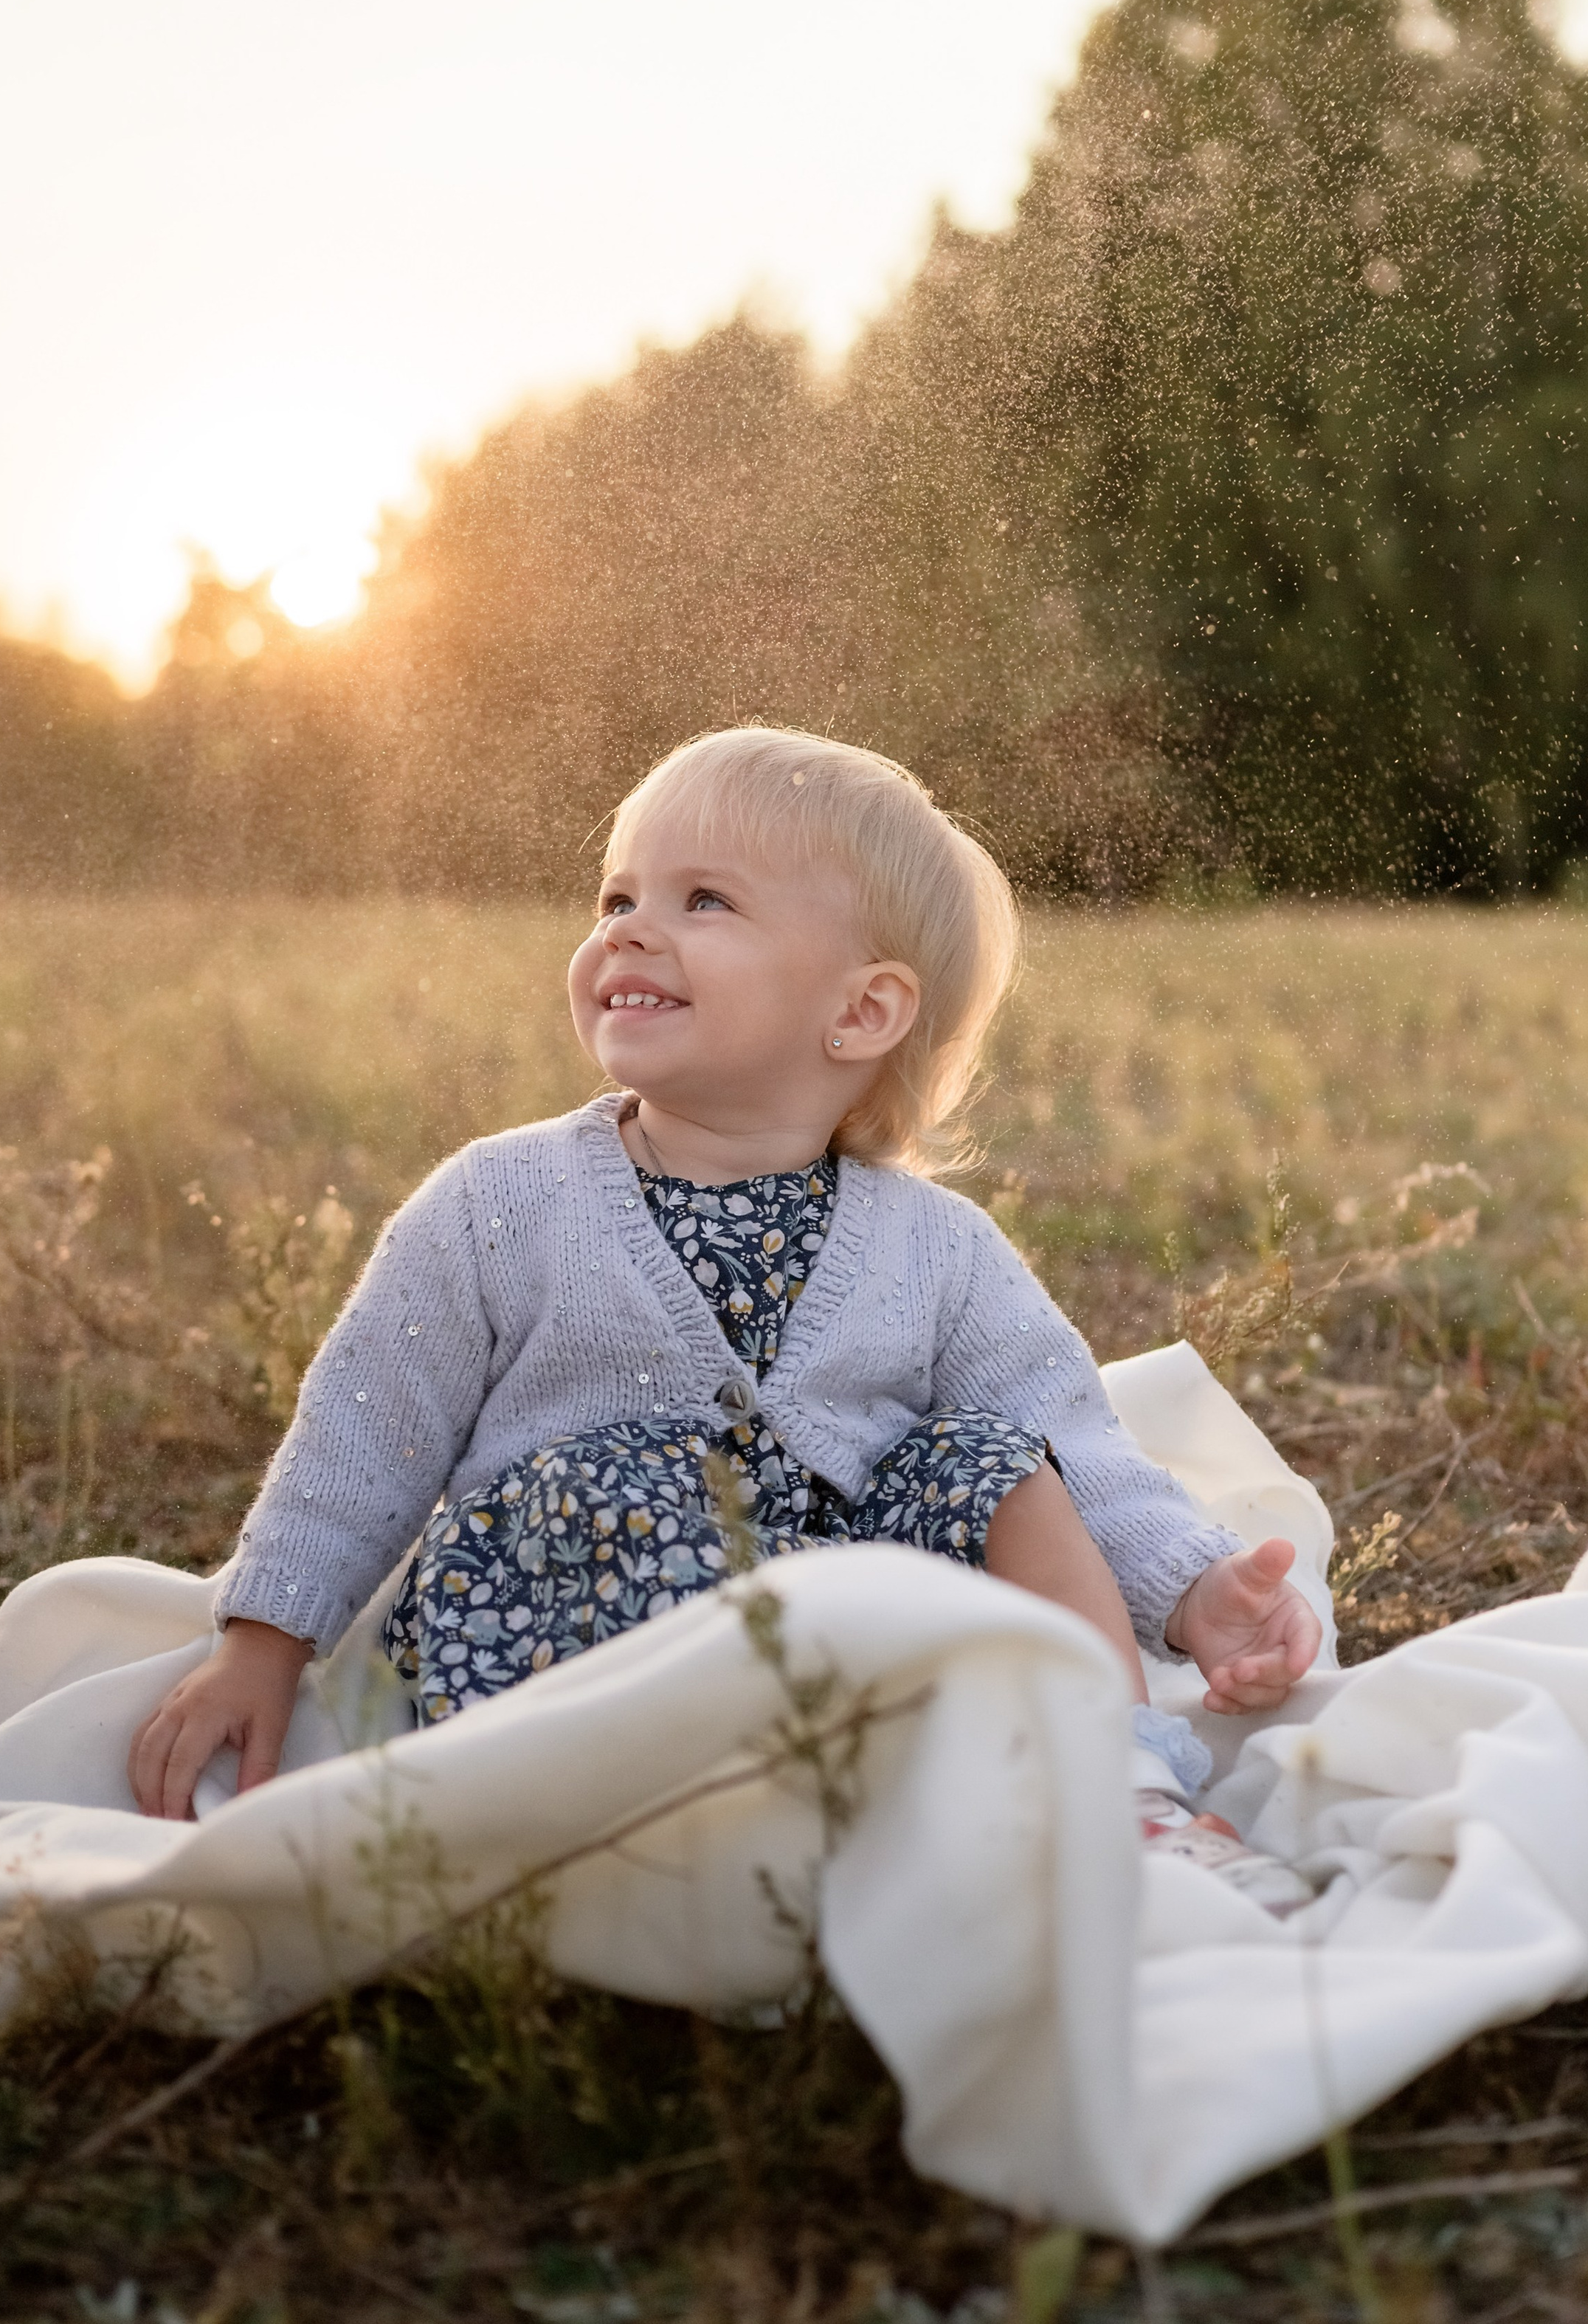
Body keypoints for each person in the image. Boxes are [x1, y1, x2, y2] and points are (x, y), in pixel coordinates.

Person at [128, 729, 1320, 1907]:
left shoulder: (938, 1249)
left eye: (703, 900)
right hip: (576, 1661)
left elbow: (1078, 1438)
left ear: (861, 1013)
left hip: (844, 1643)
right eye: (617, 894)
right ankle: (734, 1836)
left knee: (1002, 1466)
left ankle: (1116, 1789)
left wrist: (1189, 1589)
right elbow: (365, 1429)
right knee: (610, 1486)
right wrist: (265, 1640)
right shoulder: (502, 1203)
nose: (628, 929)